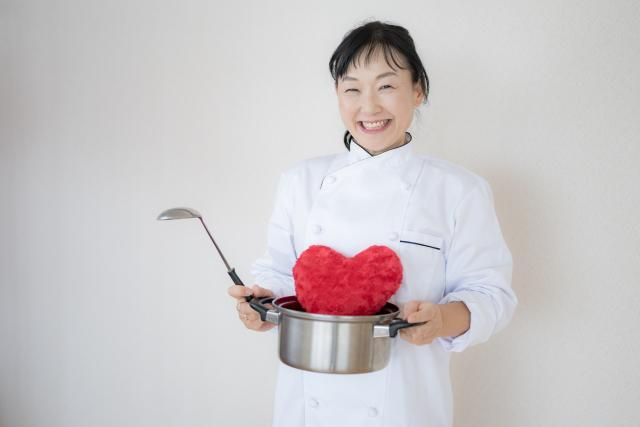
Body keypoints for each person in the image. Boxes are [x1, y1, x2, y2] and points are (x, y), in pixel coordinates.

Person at [228, 20, 517, 427]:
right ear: (337, 95)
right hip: (308, 404)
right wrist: (259, 304)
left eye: (386, 86)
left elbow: (492, 296)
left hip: (405, 405)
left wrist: (442, 320)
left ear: (417, 90)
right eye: (353, 89)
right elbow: (278, 274)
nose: (369, 107)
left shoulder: (459, 190)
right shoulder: (299, 181)